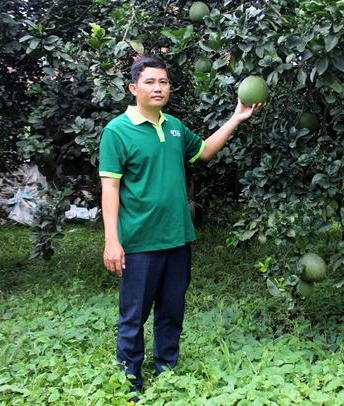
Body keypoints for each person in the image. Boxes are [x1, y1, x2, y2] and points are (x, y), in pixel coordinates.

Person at [98, 54, 264, 394]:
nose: (158, 88)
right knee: (134, 315)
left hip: (177, 237)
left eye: (163, 82)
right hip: (140, 241)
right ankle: (129, 381)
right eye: (149, 82)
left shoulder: (173, 126)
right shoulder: (116, 132)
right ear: (133, 88)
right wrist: (111, 242)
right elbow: (110, 190)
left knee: (172, 311)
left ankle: (167, 371)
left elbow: (203, 151)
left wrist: (236, 118)